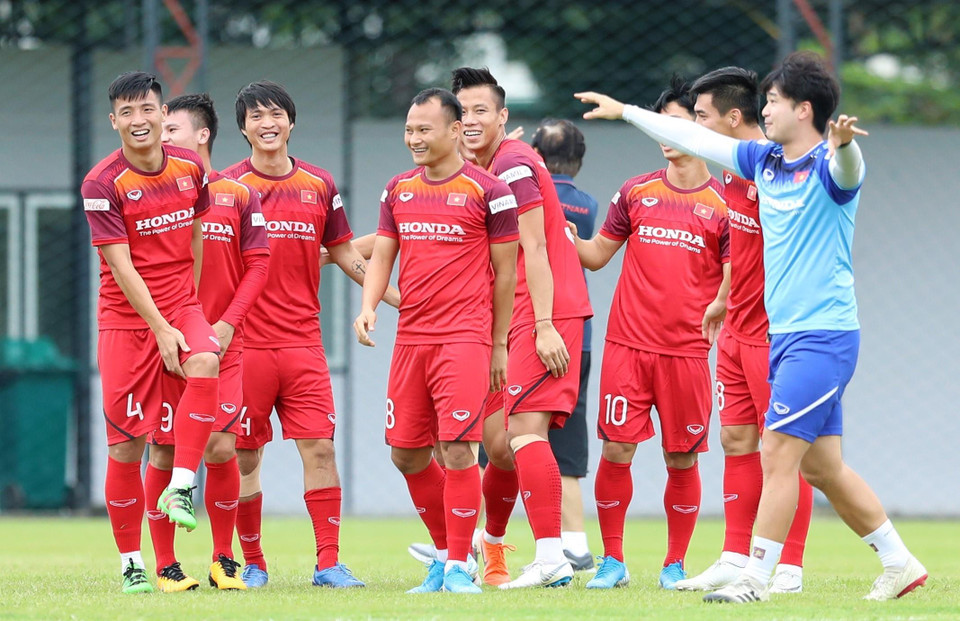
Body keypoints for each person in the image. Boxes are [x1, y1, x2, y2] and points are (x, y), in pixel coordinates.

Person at [575, 50, 927, 603]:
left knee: (777, 452)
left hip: (823, 336)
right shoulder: (763, 162)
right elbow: (701, 141)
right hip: (786, 337)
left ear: (803, 109)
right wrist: (625, 111)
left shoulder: (829, 168)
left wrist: (847, 146)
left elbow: (849, 172)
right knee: (824, 468)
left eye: (774, 101)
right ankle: (899, 562)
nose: (764, 110)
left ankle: (757, 577)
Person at [222, 80, 397, 589]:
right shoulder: (228, 188)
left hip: (303, 344)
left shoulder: (319, 184)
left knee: (320, 449)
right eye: (256, 117)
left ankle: (328, 564)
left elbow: (345, 253)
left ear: (291, 122)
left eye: (275, 113)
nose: (267, 123)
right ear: (243, 129)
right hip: (246, 345)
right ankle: (252, 564)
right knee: (245, 455)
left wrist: (397, 301)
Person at [354, 87, 519, 594]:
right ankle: (452, 551)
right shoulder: (397, 188)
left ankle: (454, 567)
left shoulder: (490, 191)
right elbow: (383, 254)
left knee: (458, 449)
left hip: (464, 339)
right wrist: (368, 307)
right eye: (409, 130)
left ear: (453, 130)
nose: (414, 139)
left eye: (424, 129)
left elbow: (506, 274)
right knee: (405, 453)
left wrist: (498, 345)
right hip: (411, 340)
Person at [568, 77, 730, 590]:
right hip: (627, 346)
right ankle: (613, 562)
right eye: (659, 123)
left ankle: (674, 563)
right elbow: (596, 257)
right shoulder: (636, 191)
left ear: (702, 129)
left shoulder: (724, 204)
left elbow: (736, 277)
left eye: (677, 123)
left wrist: (722, 303)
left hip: (685, 353)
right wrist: (563, 234)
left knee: (680, 456)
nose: (665, 133)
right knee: (617, 449)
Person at [672, 67, 812, 594]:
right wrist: (724, 298)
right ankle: (734, 556)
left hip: (777, 333)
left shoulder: (776, 168)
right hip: (736, 326)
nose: (695, 126)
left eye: (702, 117)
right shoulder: (733, 171)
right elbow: (743, 246)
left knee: (785, 449)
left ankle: (789, 568)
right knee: (736, 439)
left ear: (733, 117)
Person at [452, 67, 592, 589]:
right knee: (499, 443)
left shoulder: (511, 165)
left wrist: (545, 325)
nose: (469, 120)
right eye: (461, 111)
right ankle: (486, 547)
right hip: (510, 323)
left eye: (480, 110)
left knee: (525, 435)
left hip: (544, 316)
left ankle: (552, 556)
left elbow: (534, 247)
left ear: (503, 117)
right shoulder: (477, 166)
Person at [81, 71, 221, 593]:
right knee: (127, 447)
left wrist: (192, 307)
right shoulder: (102, 182)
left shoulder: (189, 166)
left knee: (201, 373)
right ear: (113, 120)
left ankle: (181, 494)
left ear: (165, 117)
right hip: (126, 322)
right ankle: (131, 563)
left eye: (148, 110)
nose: (138, 121)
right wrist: (161, 328)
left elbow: (198, 234)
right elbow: (121, 267)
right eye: (127, 112)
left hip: (180, 307)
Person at [144, 93, 270, 592]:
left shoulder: (238, 195)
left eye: (170, 128)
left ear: (202, 136)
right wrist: (157, 327)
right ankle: (165, 564)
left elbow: (260, 264)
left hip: (223, 345)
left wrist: (229, 324)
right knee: (162, 449)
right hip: (164, 340)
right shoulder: (151, 193)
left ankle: (224, 558)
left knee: (222, 446)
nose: (160, 135)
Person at [529, 119, 598, 571]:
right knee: (568, 444)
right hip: (581, 336)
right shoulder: (588, 205)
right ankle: (577, 543)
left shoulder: (526, 194)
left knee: (498, 438)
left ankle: (471, 541)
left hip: (533, 329)